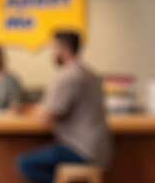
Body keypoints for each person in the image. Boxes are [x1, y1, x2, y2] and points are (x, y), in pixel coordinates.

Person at [16, 31, 112, 183]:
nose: (52, 54)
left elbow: (46, 118)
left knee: (25, 163)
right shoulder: (88, 73)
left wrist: (28, 110)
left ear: (64, 50)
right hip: (98, 149)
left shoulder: (68, 76)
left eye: (53, 49)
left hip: (80, 150)